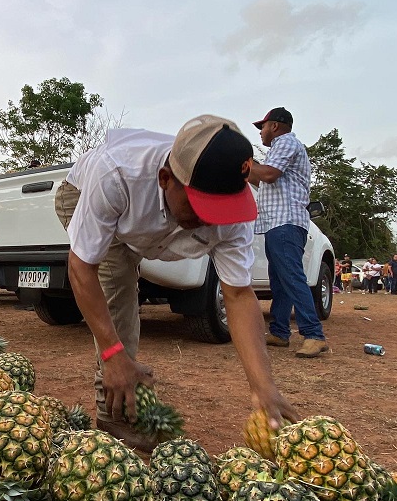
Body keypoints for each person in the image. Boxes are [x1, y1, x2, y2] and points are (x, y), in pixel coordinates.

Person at [55, 115, 299, 452]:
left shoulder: (233, 213)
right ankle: (113, 416)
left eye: (221, 208)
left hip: (139, 220)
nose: (211, 220)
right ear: (165, 178)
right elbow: (81, 268)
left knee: (127, 273)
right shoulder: (115, 174)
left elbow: (239, 295)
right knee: (120, 290)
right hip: (80, 193)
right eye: (201, 206)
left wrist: (264, 385)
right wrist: (113, 354)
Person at [248, 107, 328, 357]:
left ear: (274, 126)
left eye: (262, 127)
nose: (261, 132)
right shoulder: (281, 151)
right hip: (278, 223)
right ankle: (280, 332)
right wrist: (248, 170)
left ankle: (314, 334)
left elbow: (269, 175)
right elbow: (261, 178)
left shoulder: (285, 143)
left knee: (291, 277)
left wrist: (243, 163)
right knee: (280, 281)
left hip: (285, 222)